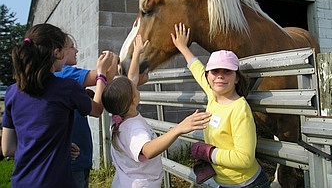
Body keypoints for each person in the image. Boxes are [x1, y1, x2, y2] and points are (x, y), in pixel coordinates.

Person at [1, 23, 113, 188]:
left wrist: (56, 147)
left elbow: (8, 148)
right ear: (57, 52)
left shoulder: (12, 92)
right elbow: (96, 110)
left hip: (22, 182)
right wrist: (101, 74)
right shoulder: (66, 88)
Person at [101, 34, 212, 188]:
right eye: (134, 87)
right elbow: (148, 150)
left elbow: (131, 78)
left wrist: (137, 54)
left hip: (124, 181)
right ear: (133, 99)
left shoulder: (119, 116)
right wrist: (178, 129)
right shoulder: (134, 129)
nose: (136, 82)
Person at [171, 23, 270, 188]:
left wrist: (209, 153)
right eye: (215, 71)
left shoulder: (239, 109)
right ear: (208, 76)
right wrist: (182, 46)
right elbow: (197, 68)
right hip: (223, 182)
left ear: (236, 77)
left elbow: (245, 158)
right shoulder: (213, 94)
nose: (220, 77)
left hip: (247, 184)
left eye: (227, 71)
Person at [55, 35, 119, 188]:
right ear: (58, 52)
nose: (76, 50)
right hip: (72, 160)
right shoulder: (66, 75)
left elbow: (103, 79)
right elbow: (101, 77)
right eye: (71, 47)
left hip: (75, 156)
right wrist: (114, 60)